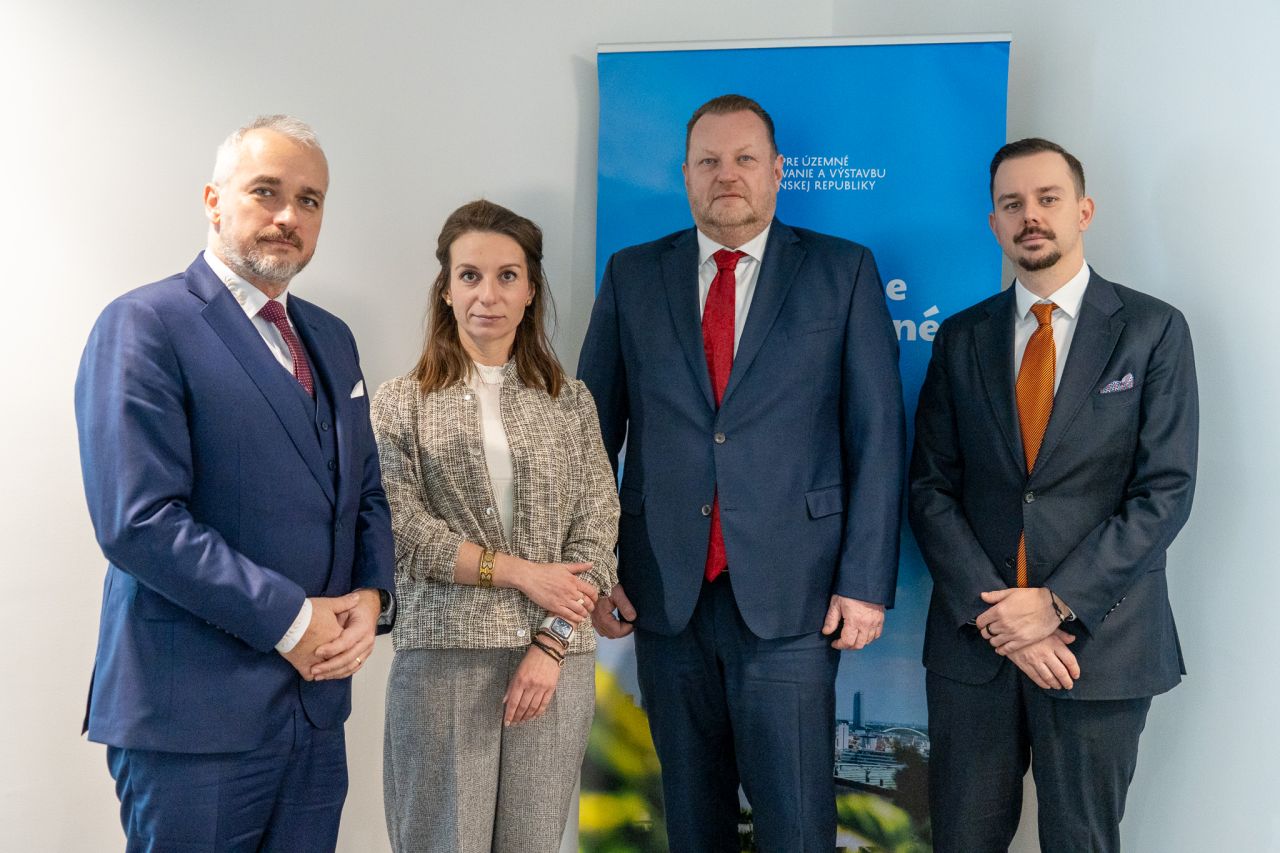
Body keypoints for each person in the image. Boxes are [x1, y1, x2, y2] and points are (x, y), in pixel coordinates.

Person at [577, 94, 906, 852]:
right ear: (686, 175)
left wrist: (864, 582)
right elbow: (589, 438)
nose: (727, 175)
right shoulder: (632, 275)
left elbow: (878, 437)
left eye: (744, 159)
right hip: (665, 596)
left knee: (796, 822)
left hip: (798, 598)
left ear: (777, 171)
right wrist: (595, 569)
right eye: (709, 161)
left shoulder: (843, 272)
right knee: (693, 822)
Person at [74, 115, 395, 851]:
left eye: (309, 200)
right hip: (192, 719)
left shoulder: (332, 337)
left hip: (315, 713)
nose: (289, 216)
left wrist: (373, 595)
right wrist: (292, 620)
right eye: (266, 192)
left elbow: (364, 489)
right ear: (214, 201)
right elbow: (138, 522)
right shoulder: (144, 324)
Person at [909, 137, 1198, 852]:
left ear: (1083, 211)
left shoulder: (1152, 330)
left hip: (1099, 648)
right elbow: (931, 488)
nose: (1029, 216)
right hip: (976, 650)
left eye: (1047, 199)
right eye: (1012, 204)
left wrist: (1055, 603)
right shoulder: (960, 338)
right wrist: (1003, 618)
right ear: (994, 223)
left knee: (1081, 842)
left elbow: (1164, 491)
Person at [373, 199, 619, 853]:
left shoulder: (572, 402)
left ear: (531, 290)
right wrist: (520, 574)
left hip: (556, 666)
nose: (489, 294)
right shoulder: (401, 403)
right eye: (470, 275)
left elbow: (599, 525)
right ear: (446, 289)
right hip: (444, 663)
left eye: (508, 276)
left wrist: (552, 644)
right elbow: (401, 529)